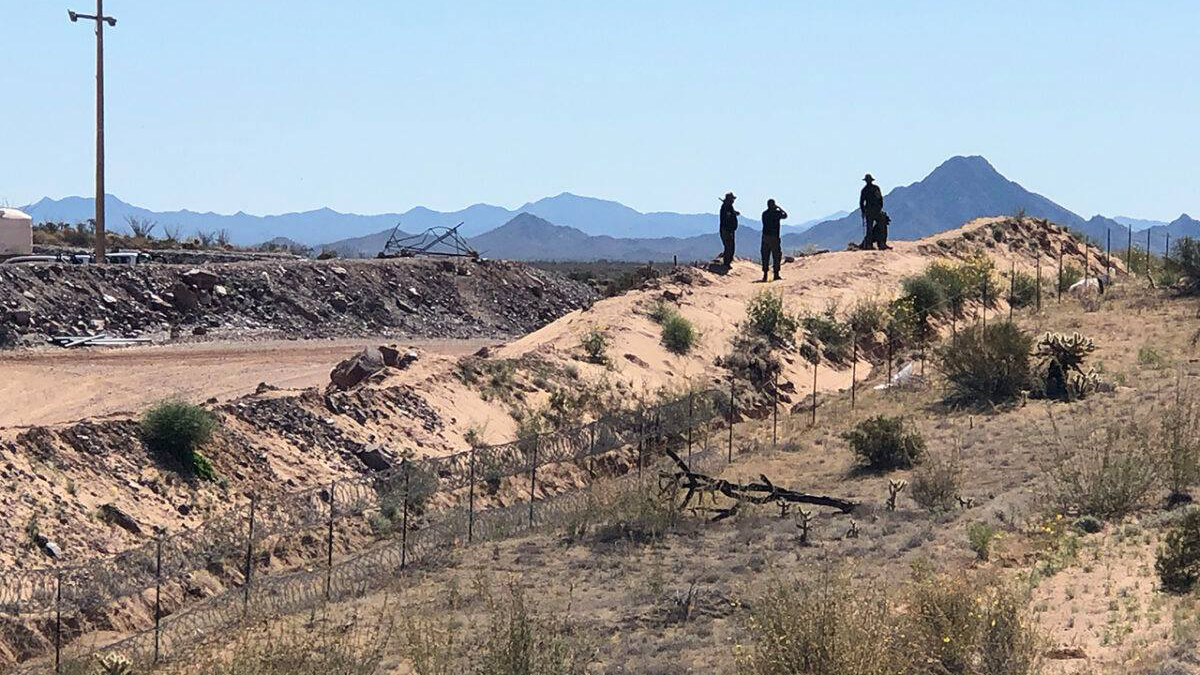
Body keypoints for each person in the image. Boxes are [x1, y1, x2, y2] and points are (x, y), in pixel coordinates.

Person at [858, 174, 890, 250]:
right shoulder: (875, 188)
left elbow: (861, 202)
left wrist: (863, 211)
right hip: (875, 210)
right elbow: (880, 199)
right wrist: (879, 208)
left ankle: (870, 244)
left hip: (870, 211)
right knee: (881, 226)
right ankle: (881, 244)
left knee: (871, 228)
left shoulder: (865, 190)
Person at [760, 199, 787, 281]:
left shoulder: (764, 214)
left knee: (765, 256)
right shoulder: (777, 213)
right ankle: (776, 274)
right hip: (774, 237)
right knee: (776, 256)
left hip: (765, 237)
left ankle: (765, 275)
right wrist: (779, 208)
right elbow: (785, 215)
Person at [719, 192, 739, 267]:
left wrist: (734, 213)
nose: (733, 200)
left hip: (728, 230)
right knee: (729, 247)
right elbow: (727, 218)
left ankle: (727, 262)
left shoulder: (728, 207)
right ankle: (726, 263)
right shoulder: (726, 207)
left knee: (729, 247)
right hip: (727, 230)